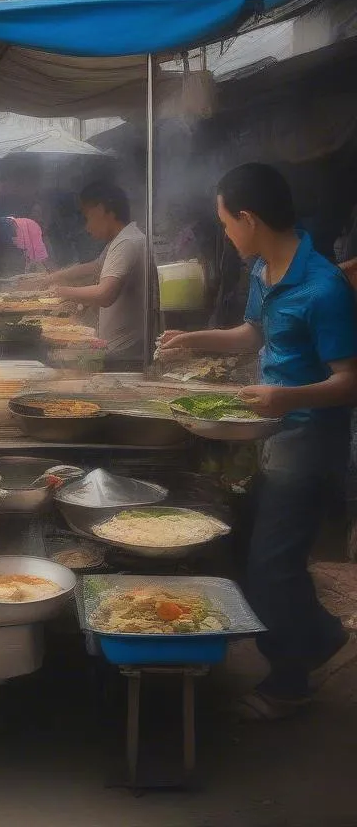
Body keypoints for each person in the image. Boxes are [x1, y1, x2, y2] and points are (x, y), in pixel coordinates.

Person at [158, 163, 357, 719]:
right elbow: (252, 333)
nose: (224, 233)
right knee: (253, 552)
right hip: (272, 434)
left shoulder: (323, 288)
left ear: (247, 218)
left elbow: (350, 380)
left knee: (273, 565)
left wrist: (287, 399)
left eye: (225, 223)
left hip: (309, 443)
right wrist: (194, 337)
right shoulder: (264, 272)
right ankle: (317, 636)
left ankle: (289, 683)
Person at [47, 182, 154, 364]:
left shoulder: (126, 242)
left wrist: (58, 292)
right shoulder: (123, 239)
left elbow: (105, 294)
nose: (87, 227)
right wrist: (51, 278)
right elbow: (95, 267)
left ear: (102, 210)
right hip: (121, 351)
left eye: (87, 217)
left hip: (124, 356)